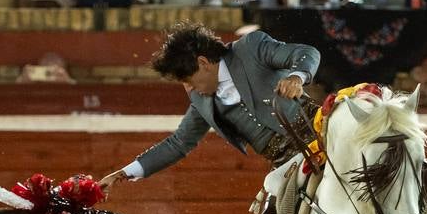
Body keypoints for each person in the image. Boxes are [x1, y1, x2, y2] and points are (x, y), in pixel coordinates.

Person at [97, 23, 320, 191]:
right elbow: (178, 144)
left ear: (203, 63)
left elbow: (305, 53)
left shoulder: (250, 48)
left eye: (188, 80)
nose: (189, 89)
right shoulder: (202, 102)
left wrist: (296, 77)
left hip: (320, 133)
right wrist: (124, 173)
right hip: (286, 165)